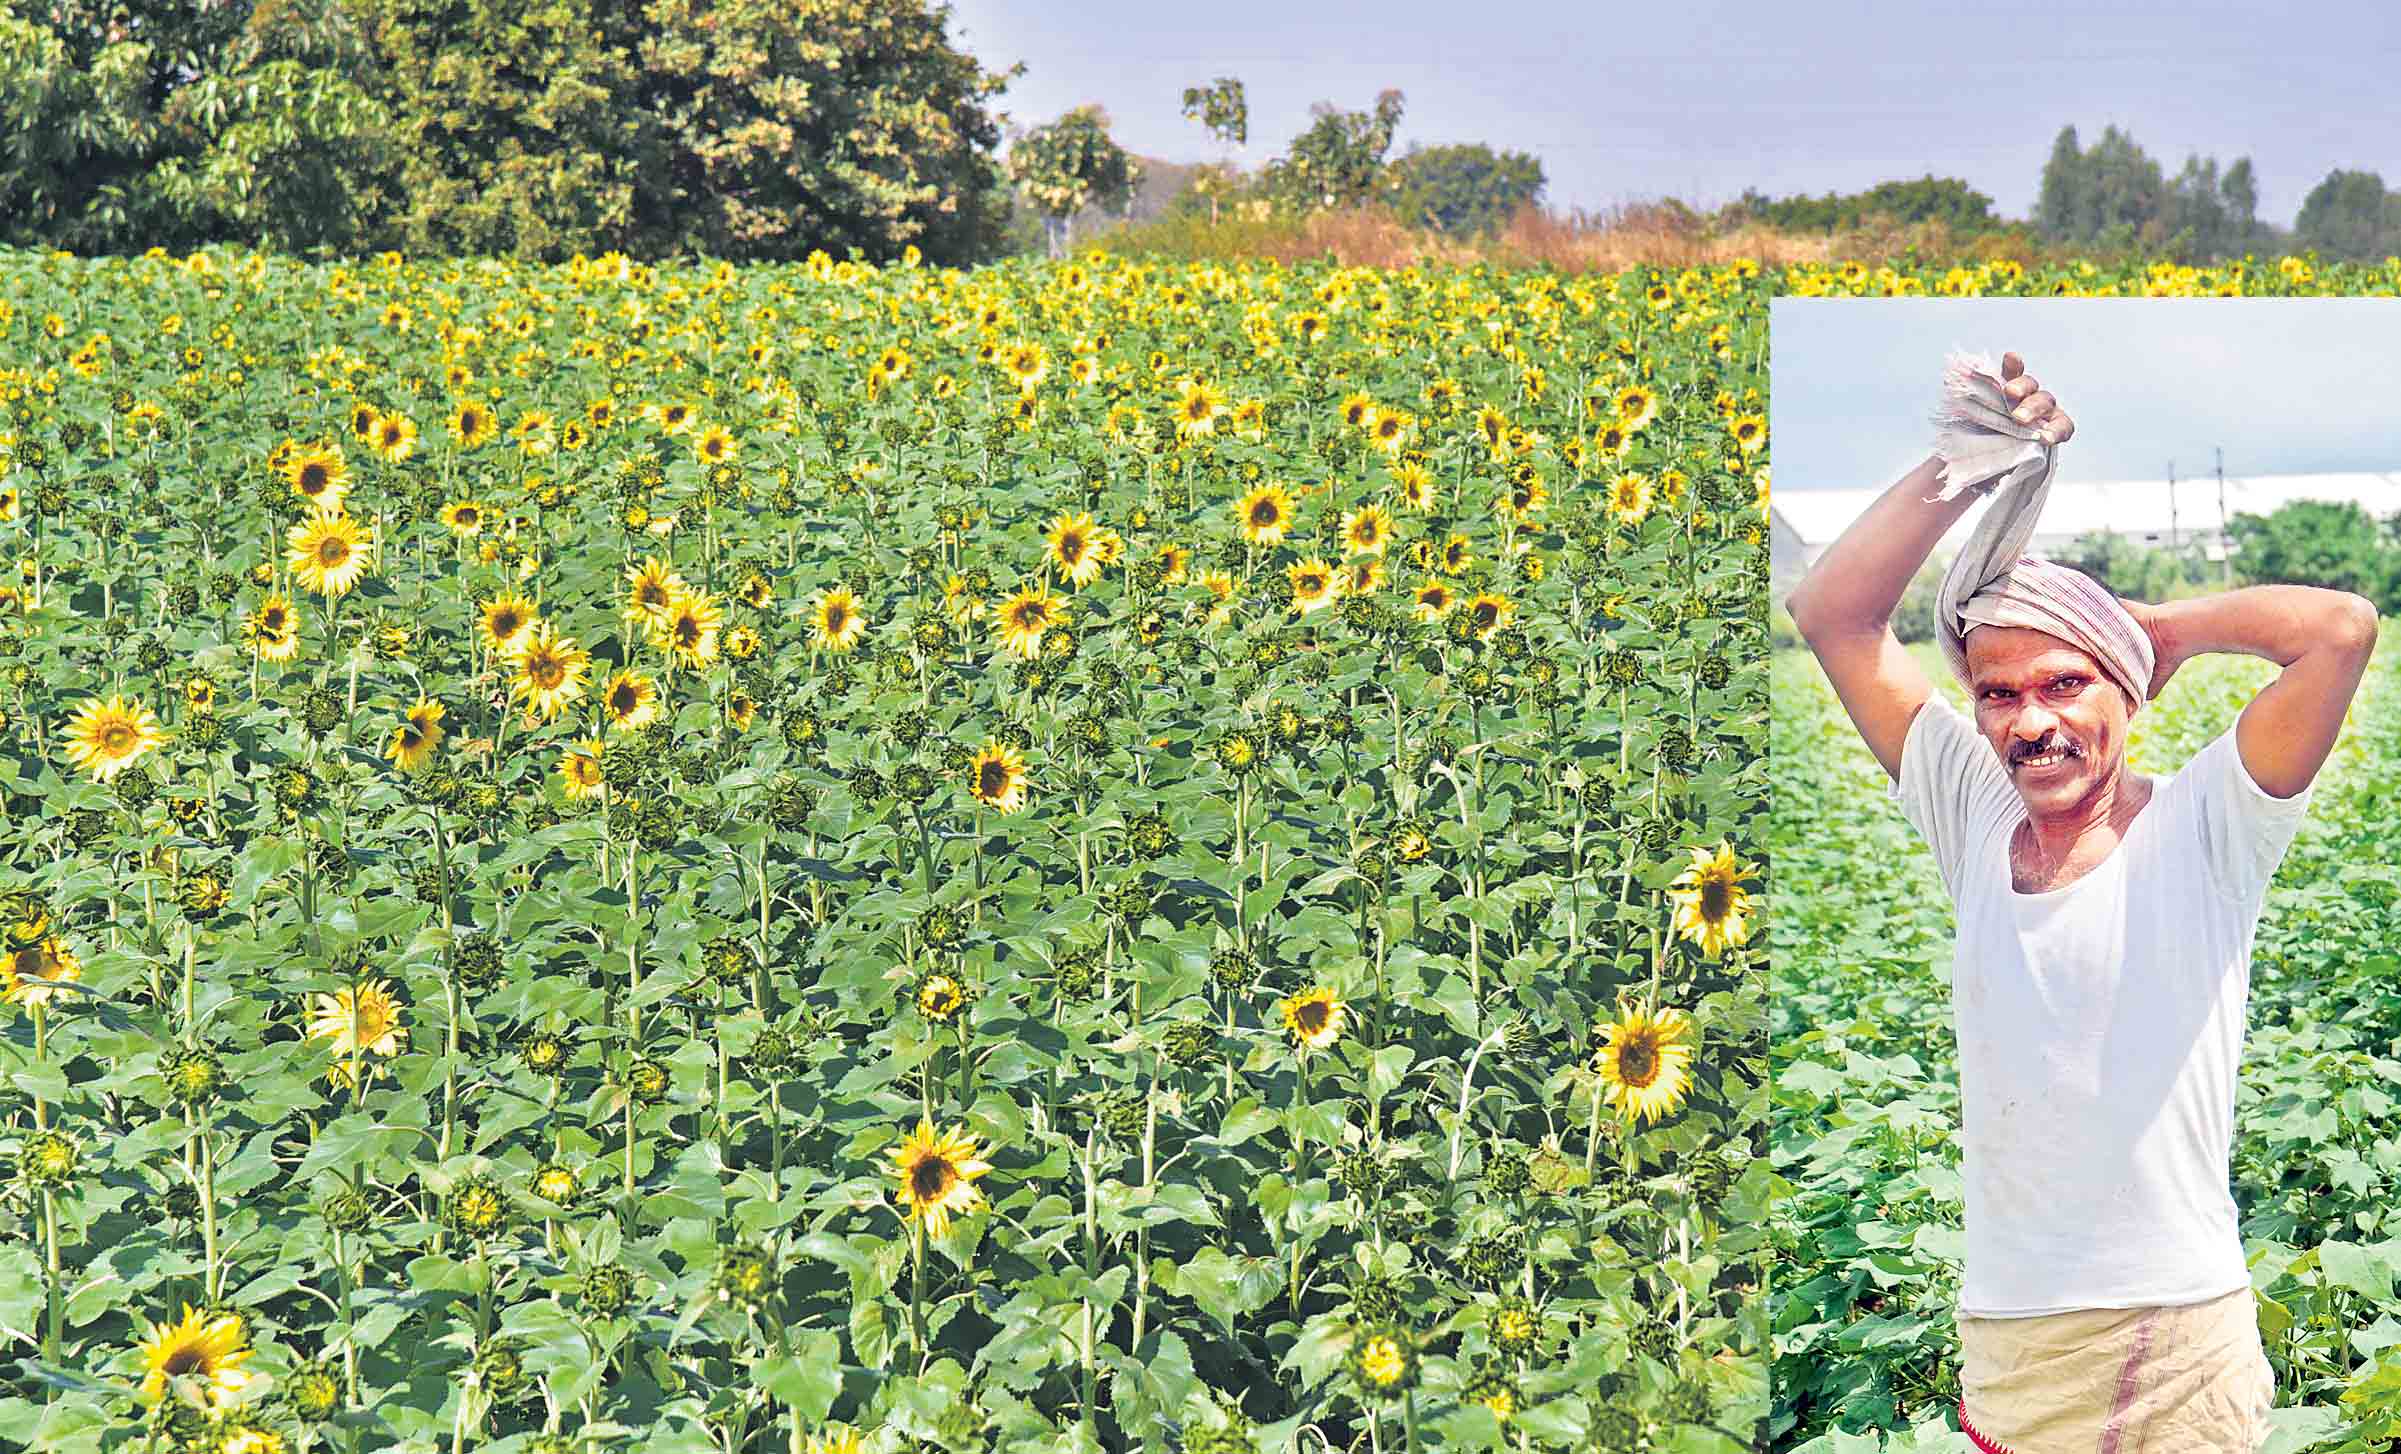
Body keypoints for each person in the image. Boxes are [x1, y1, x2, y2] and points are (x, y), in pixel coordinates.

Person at [1785, 352, 2379, 1453]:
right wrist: (1969, 461)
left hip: (2177, 1328)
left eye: (2065, 682)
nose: (2029, 721)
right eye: (1999, 693)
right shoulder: (1972, 811)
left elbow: (2338, 628)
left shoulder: (2209, 824)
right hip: (2010, 1329)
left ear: (2124, 690)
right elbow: (1831, 610)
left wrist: (2158, 629)